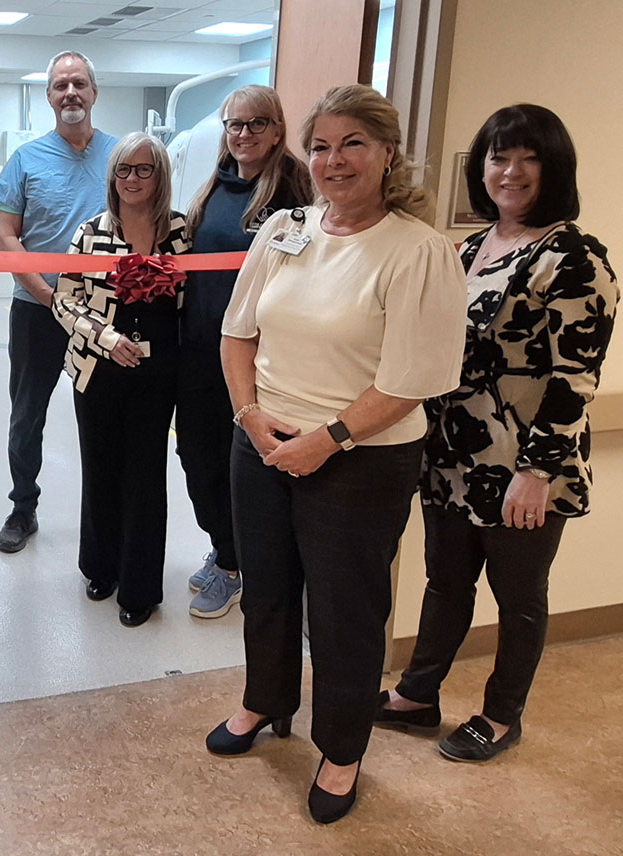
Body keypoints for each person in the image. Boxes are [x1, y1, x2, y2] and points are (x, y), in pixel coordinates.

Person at [207, 84, 465, 824]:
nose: (334, 160)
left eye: (353, 144)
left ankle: (342, 749)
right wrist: (250, 418)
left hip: (361, 461)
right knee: (267, 587)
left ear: (388, 152)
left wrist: (328, 440)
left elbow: (414, 379)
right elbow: (237, 333)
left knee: (345, 610)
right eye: (321, 146)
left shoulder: (417, 250)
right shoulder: (283, 229)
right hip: (261, 442)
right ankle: (265, 700)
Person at [377, 104, 617, 762]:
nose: (510, 171)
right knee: (445, 583)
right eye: (498, 157)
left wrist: (537, 472)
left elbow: (575, 378)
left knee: (518, 599)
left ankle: (502, 715)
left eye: (528, 158)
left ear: (554, 168)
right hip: (453, 456)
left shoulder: (574, 257)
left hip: (524, 465)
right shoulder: (468, 248)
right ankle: (417, 695)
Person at [177, 85, 313, 620]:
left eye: (257, 123)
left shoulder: (292, 192)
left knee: (241, 465)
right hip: (199, 349)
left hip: (257, 358)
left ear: (277, 130)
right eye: (235, 123)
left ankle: (236, 565)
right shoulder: (215, 185)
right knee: (197, 457)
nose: (244, 133)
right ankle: (224, 546)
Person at [53, 133, 189, 626]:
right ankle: (101, 567)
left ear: (160, 176)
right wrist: (106, 338)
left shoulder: (180, 232)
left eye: (143, 169)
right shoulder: (89, 232)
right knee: (101, 469)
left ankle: (139, 587)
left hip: (157, 374)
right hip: (98, 370)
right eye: (123, 170)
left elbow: (193, 300)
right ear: (112, 177)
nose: (132, 179)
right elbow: (63, 300)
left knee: (146, 477)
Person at [0, 50, 119, 553]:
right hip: (36, 308)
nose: (70, 93)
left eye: (79, 83)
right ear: (48, 96)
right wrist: (47, 294)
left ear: (94, 92)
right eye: (61, 85)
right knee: (27, 415)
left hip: (102, 311)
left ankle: (107, 514)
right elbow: (6, 236)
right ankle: (23, 508)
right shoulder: (26, 160)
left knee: (105, 414)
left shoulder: (120, 156)